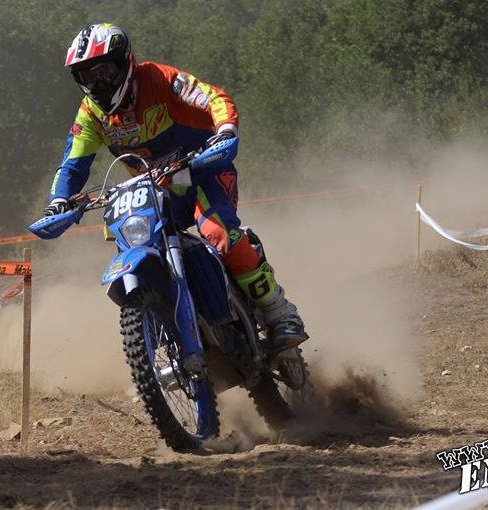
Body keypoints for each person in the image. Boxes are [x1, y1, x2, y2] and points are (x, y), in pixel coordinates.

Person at [43, 23, 307, 349]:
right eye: (87, 76)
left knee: (218, 233)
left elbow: (211, 97)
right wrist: (59, 201)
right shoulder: (91, 115)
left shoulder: (158, 78)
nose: (98, 83)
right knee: (131, 240)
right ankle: (162, 330)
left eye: (104, 72)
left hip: (204, 170)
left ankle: (279, 310)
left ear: (124, 62)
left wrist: (225, 129)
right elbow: (73, 164)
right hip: (157, 190)